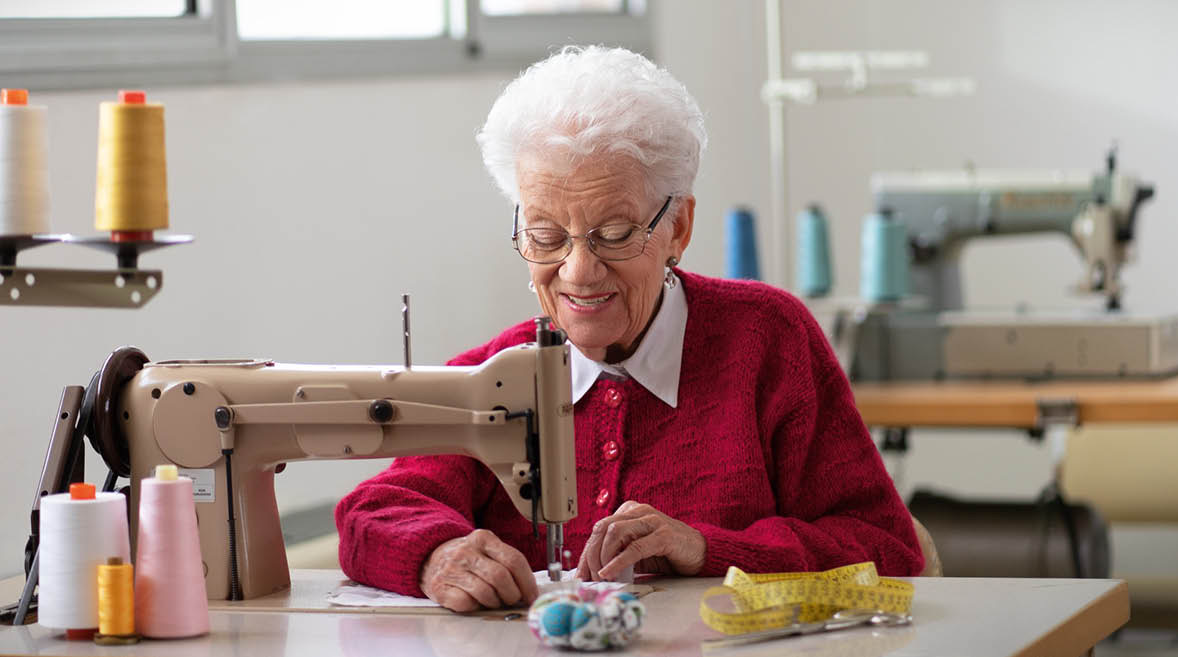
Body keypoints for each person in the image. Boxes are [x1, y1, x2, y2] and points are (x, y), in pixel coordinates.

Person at [335, 45, 924, 612]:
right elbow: (373, 512)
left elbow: (886, 548)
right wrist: (436, 555)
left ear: (679, 227)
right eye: (545, 236)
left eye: (614, 234)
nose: (579, 271)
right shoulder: (495, 375)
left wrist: (705, 549)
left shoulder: (768, 340)